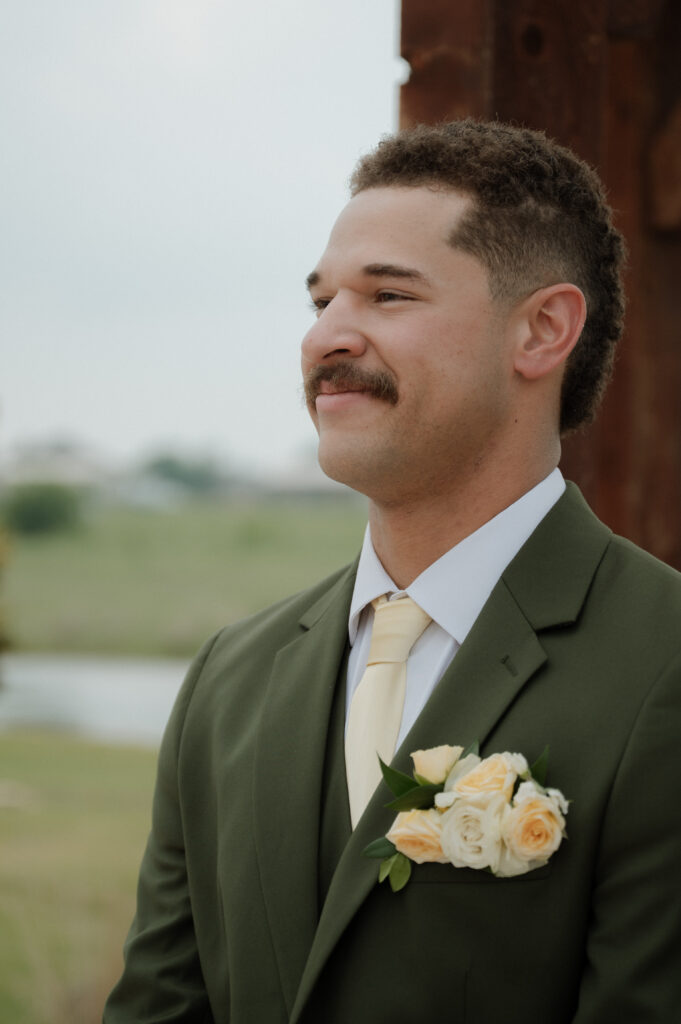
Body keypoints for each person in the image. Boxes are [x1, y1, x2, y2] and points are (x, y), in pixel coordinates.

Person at [103, 121, 681, 1023]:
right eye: (320, 301)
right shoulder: (229, 677)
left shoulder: (663, 660)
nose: (326, 337)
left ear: (541, 330)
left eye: (388, 295)